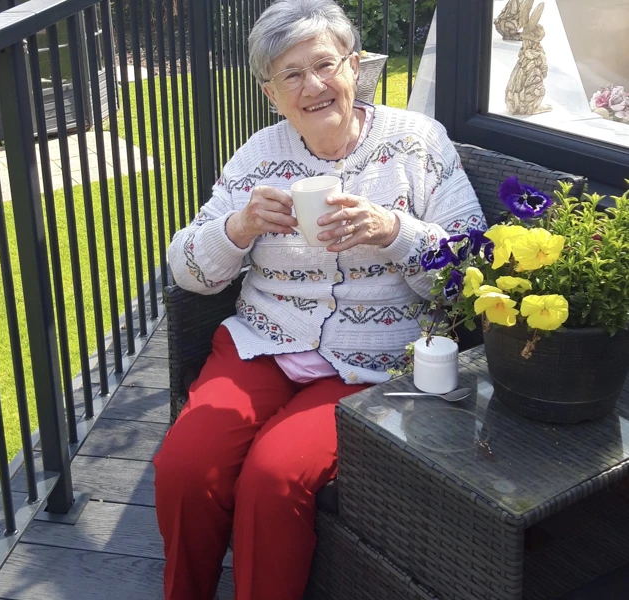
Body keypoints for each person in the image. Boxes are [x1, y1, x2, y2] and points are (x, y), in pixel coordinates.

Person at [153, 1, 486, 599]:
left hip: (373, 360)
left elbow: (471, 271)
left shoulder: (416, 143)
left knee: (274, 476)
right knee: (186, 465)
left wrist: (393, 231)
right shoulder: (259, 155)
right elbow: (187, 270)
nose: (313, 86)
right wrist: (239, 227)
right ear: (271, 95)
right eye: (291, 74)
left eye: (324, 64)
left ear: (355, 66)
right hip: (263, 343)